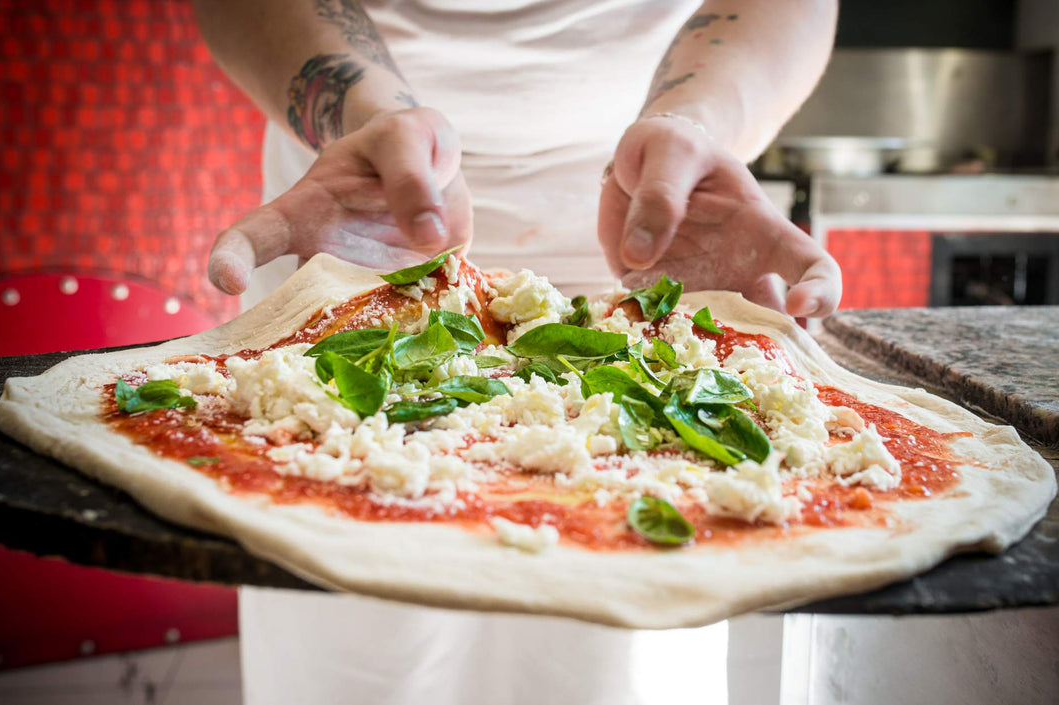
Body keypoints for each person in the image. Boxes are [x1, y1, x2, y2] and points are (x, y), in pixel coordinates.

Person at [193, 1, 839, 703]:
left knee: (616, 667)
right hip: (358, 225)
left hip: (654, 232)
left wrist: (698, 125)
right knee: (359, 659)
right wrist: (371, 117)